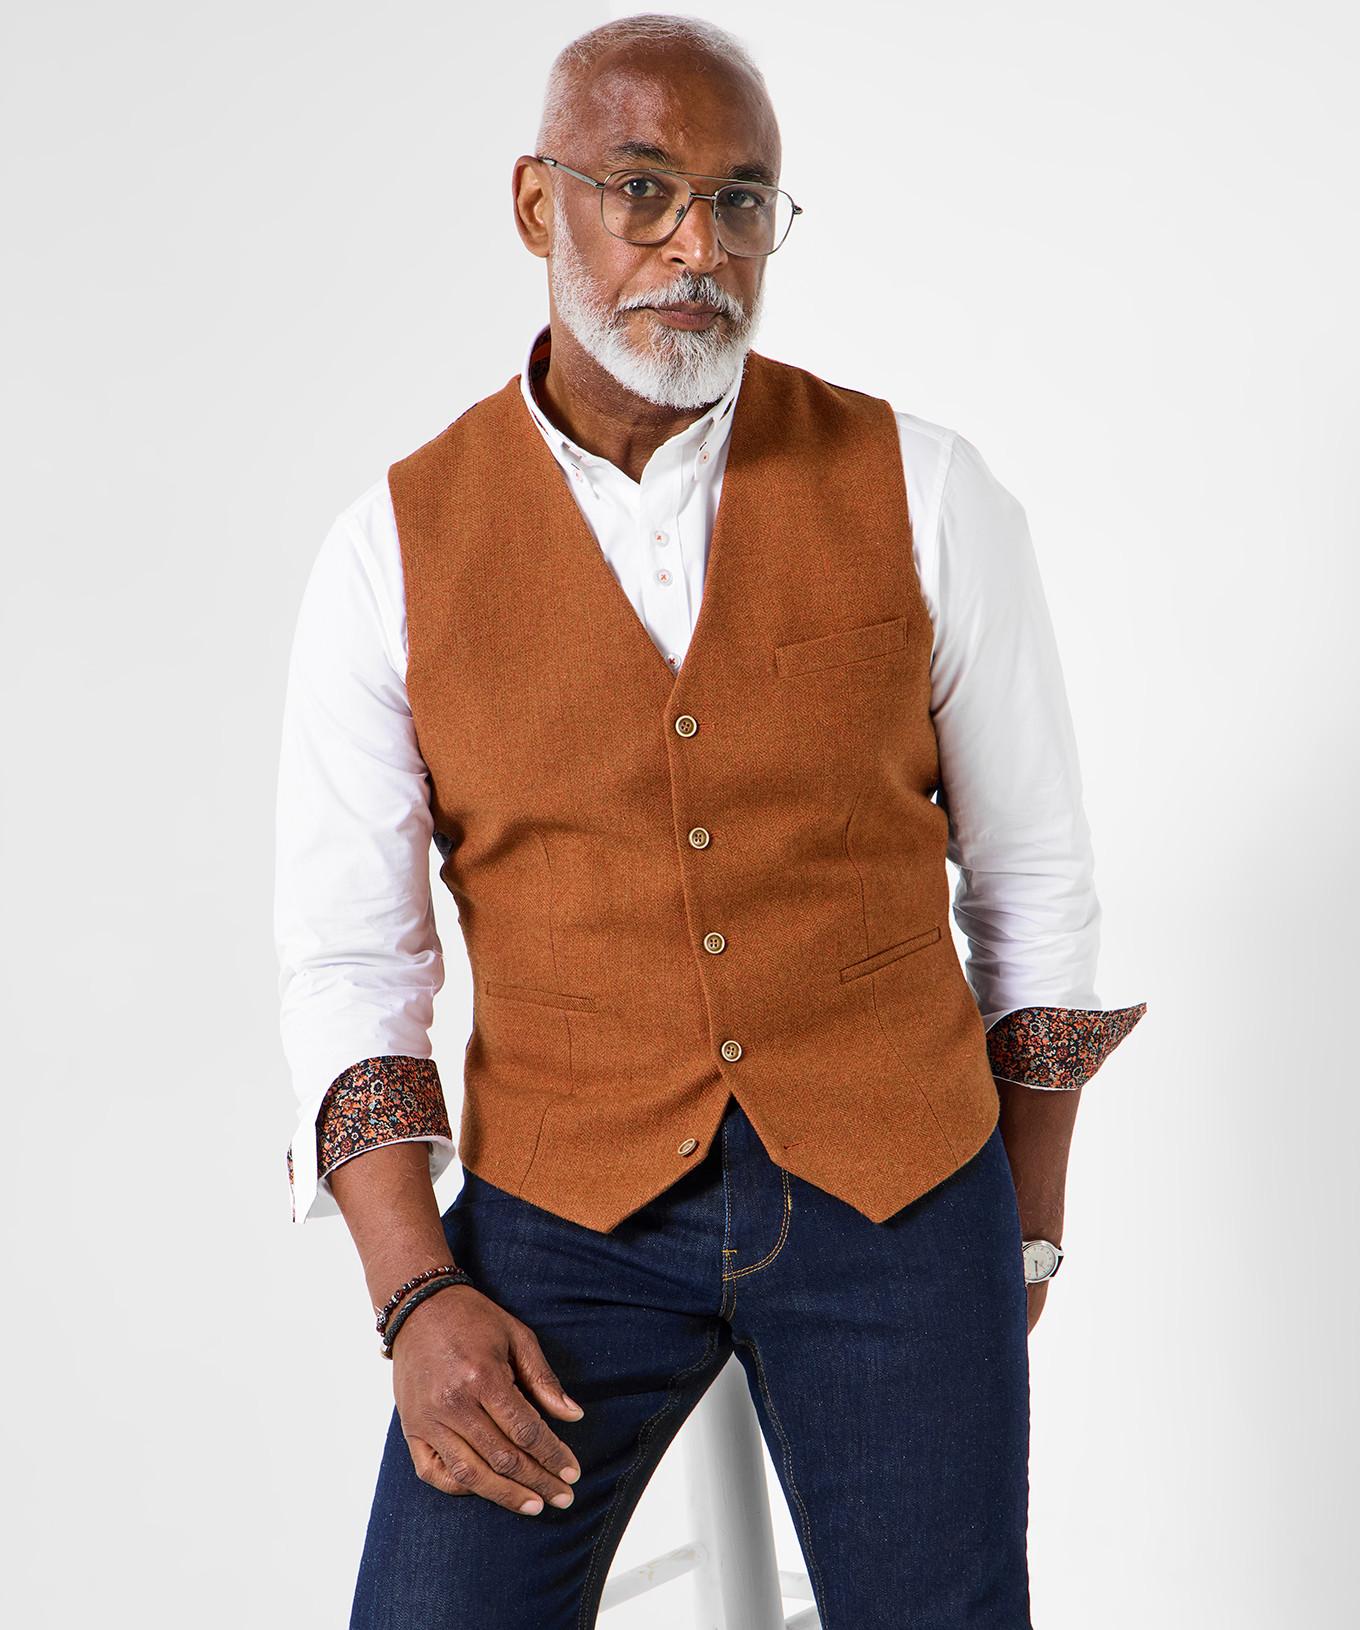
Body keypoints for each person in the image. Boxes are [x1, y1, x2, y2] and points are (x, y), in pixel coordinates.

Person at [273, 13, 1146, 1628]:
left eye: (743, 200)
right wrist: (412, 1294)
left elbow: (1035, 878)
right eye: (644, 190)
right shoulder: (389, 550)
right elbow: (349, 962)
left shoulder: (925, 487)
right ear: (537, 203)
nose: (699, 246)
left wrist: (1022, 1226)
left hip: (901, 1188)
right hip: (565, 1216)